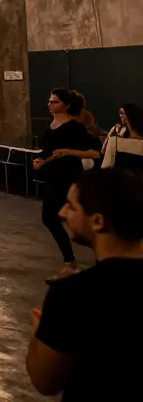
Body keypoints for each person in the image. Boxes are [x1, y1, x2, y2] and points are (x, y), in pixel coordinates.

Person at [26, 167, 143, 400]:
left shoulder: (73, 293)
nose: (61, 212)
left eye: (71, 206)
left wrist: (40, 332)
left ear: (98, 221)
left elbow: (45, 381)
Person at [33, 88, 101, 282]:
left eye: (55, 101)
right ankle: (70, 262)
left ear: (66, 105)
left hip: (69, 178)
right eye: (49, 101)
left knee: (78, 220)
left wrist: (69, 152)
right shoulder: (50, 127)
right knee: (49, 217)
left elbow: (95, 153)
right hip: (53, 178)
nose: (50, 104)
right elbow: (47, 152)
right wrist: (40, 160)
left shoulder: (75, 127)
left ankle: (99, 257)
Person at [102, 102, 143, 173]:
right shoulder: (118, 135)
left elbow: (105, 167)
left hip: (120, 180)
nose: (120, 115)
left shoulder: (115, 142)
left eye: (122, 113)